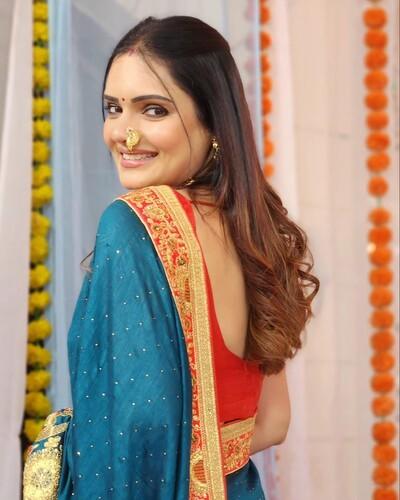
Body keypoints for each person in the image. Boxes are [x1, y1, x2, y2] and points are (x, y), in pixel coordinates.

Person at [23, 15, 320, 500]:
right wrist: (205, 464)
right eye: (113, 108)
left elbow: (131, 443)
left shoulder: (134, 224)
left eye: (154, 110)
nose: (124, 134)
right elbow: (273, 422)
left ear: (212, 120)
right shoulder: (254, 235)